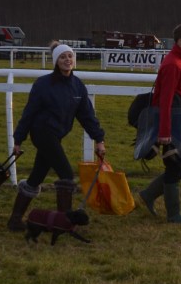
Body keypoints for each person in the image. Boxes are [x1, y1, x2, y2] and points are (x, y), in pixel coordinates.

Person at [6, 41, 107, 231]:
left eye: (69, 56)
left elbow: (87, 116)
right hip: (42, 133)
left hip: (56, 136)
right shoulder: (43, 84)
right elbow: (28, 113)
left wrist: (99, 140)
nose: (67, 60)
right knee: (66, 175)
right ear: (56, 61)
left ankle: (15, 220)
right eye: (62, 57)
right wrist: (18, 140)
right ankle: (64, 223)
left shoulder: (77, 86)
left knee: (36, 177)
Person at [137, 23, 181, 225]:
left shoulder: (179, 61)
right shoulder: (173, 64)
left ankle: (148, 195)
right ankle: (173, 214)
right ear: (180, 42)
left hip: (176, 121)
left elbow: (179, 88)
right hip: (169, 125)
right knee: (176, 167)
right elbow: (165, 100)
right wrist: (164, 133)